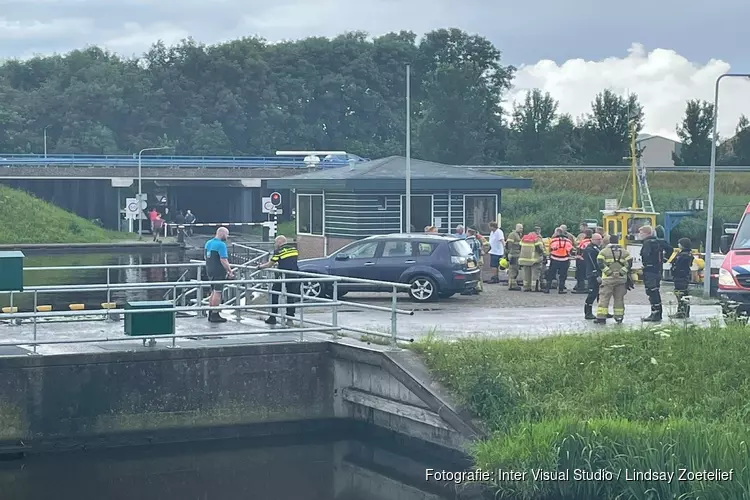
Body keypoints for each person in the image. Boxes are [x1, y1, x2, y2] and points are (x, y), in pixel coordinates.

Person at [258, 235, 300, 327]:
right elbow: (288, 260)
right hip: (294, 275)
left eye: (275, 242)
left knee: (274, 293)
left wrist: (260, 267)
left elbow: (269, 264)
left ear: (279, 242)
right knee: (290, 297)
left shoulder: (278, 251)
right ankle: (290, 319)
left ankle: (273, 317)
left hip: (282, 275)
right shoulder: (294, 249)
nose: (275, 244)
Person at [639, 225, 674, 322]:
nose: (640, 235)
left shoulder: (647, 243)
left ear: (647, 233)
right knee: (655, 290)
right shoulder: (660, 242)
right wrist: (664, 260)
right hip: (658, 269)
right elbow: (670, 249)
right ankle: (656, 313)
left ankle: (655, 314)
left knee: (652, 291)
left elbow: (646, 256)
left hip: (650, 271)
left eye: (641, 233)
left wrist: (646, 265)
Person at [595, 234, 633, 324]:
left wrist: (609, 272)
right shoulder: (625, 252)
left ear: (609, 241)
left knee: (604, 298)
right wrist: (621, 272)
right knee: (619, 299)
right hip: (621, 279)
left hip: (608, 279)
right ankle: (619, 317)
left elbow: (600, 263)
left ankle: (601, 317)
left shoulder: (603, 252)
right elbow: (629, 264)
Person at [204, 227, 234, 323]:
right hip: (218, 271)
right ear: (222, 234)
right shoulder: (221, 245)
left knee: (213, 291)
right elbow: (223, 260)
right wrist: (230, 271)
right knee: (218, 292)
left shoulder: (208, 243)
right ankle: (215, 314)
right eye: (227, 234)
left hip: (210, 270)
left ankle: (210, 312)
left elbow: (205, 257)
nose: (227, 236)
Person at [670, 238, 694, 319]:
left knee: (680, 294)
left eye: (679, 243)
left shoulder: (683, 255)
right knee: (683, 294)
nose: (678, 244)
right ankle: (684, 312)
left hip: (680, 276)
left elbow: (677, 264)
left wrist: (674, 268)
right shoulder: (688, 254)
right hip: (684, 276)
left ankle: (682, 312)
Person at [546, 227, 574, 294]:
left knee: (551, 274)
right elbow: (571, 250)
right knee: (563, 275)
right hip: (565, 260)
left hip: (554, 259)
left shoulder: (553, 240)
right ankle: (561, 289)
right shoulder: (568, 241)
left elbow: (550, 249)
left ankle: (547, 288)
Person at [583, 232, 604, 319]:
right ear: (593, 239)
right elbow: (592, 263)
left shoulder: (597, 248)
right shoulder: (589, 249)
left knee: (601, 294)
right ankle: (588, 312)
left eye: (600, 239)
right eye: (598, 240)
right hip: (592, 274)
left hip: (599, 273)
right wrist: (596, 275)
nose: (600, 241)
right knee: (592, 293)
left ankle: (602, 311)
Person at [504, 223, 523, 290]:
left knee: (515, 269)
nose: (521, 229)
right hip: (513, 254)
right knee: (513, 269)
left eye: (522, 228)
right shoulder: (512, 234)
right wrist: (509, 253)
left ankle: (513, 284)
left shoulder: (519, 235)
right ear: (516, 228)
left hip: (517, 254)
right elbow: (509, 244)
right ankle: (512, 285)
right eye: (520, 228)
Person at [573, 229, 593, 293]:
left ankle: (581, 287)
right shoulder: (592, 242)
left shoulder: (583, 242)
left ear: (585, 234)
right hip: (591, 261)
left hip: (582, 261)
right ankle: (589, 287)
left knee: (581, 275)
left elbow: (579, 251)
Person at [466, 228, 484, 293]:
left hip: (471, 260)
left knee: (471, 274)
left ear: (469, 233)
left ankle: (471, 288)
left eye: (467, 232)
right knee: (477, 273)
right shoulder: (477, 241)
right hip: (477, 258)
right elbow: (480, 250)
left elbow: (468, 251)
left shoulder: (468, 241)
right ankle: (478, 287)